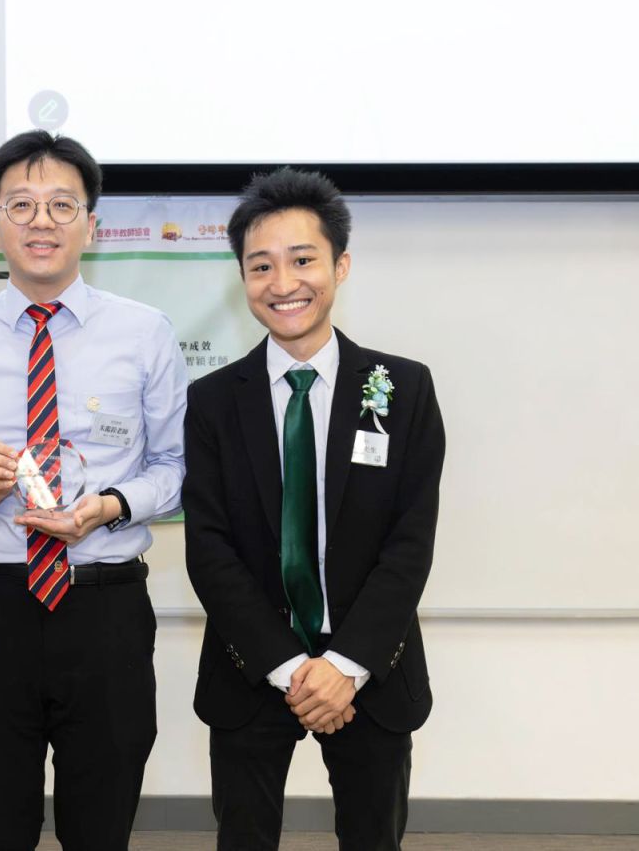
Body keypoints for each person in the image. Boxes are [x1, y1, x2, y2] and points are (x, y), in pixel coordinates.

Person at [0, 130, 187, 851]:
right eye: (22, 205)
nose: (42, 221)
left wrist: (111, 507)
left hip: (106, 605)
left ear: (90, 224)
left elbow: (174, 466)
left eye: (62, 205)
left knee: (100, 828)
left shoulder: (145, 333)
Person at [183, 167, 445, 850]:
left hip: (370, 668)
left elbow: (409, 544)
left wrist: (344, 665)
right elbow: (209, 549)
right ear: (242, 277)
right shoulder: (212, 402)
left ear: (340, 266)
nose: (283, 283)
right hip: (252, 664)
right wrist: (290, 668)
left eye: (303, 260)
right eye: (261, 266)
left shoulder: (403, 389)